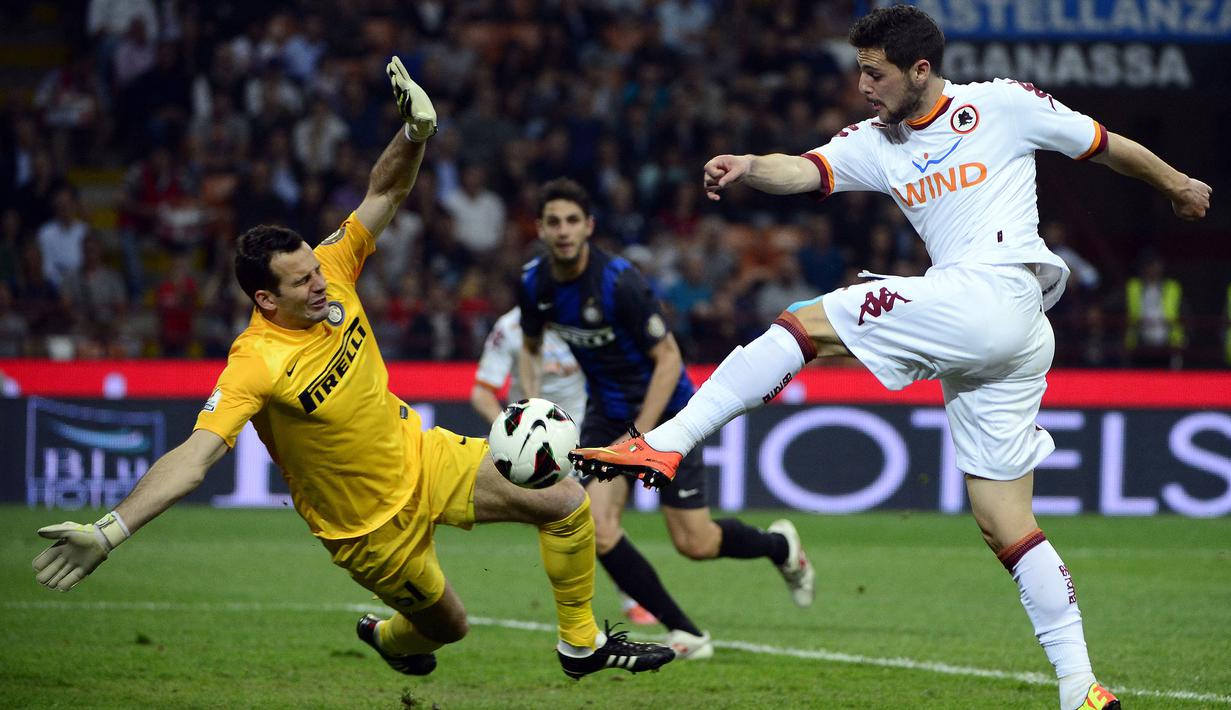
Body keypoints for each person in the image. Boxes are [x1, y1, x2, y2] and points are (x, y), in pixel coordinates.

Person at [572, 6, 1212, 709]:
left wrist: (1176, 183)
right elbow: (806, 170)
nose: (861, 87)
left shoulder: (1001, 105)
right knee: (1005, 521)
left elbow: (1102, 143)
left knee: (804, 325)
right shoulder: (875, 141)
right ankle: (1079, 687)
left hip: (997, 292)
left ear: (919, 69)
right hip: (1003, 339)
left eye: (873, 74)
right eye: (858, 71)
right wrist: (751, 166)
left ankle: (664, 443)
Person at [31, 56, 674, 682]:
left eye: (317, 268)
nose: (321, 284)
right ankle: (386, 635)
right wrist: (110, 531)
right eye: (301, 281)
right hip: (367, 529)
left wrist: (414, 132)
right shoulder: (255, 363)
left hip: (421, 456)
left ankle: (581, 644)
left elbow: (386, 189)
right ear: (264, 299)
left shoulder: (332, 271)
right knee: (449, 628)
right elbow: (195, 457)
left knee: (565, 501)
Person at [519, 178, 814, 660]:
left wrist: (642, 435)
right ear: (540, 228)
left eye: (573, 221)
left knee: (695, 543)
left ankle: (778, 547)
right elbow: (530, 346)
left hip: (669, 413)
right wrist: (532, 404)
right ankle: (688, 634)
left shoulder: (619, 282)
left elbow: (670, 359)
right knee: (599, 523)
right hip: (605, 415)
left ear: (589, 226)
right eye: (553, 222)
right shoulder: (535, 283)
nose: (564, 230)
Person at [470, 305, 658, 626]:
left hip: (581, 440)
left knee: (596, 520)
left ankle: (632, 599)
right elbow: (481, 391)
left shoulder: (582, 323)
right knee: (555, 517)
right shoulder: (510, 328)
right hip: (526, 451)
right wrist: (510, 430)